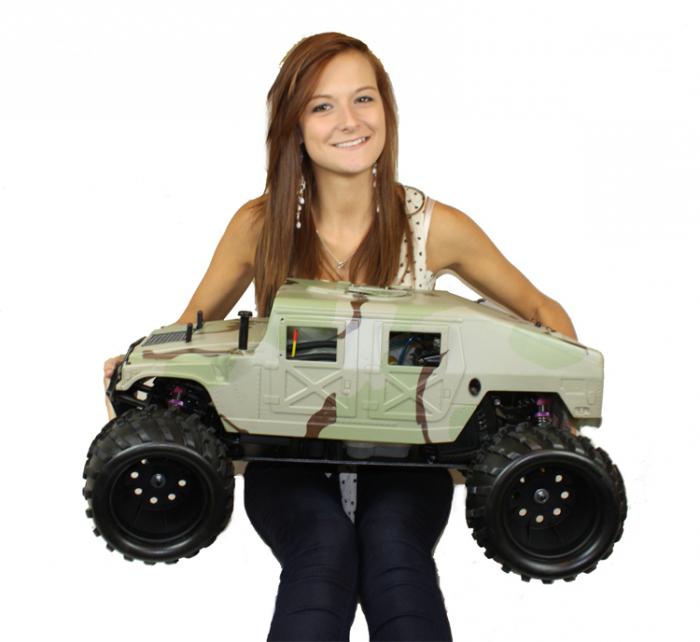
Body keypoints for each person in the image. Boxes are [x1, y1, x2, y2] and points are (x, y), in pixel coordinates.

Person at [103, 32, 577, 642]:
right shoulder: (260, 225)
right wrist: (138, 381)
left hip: (409, 454)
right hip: (286, 450)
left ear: (387, 110)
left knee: (394, 553)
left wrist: (554, 406)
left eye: (364, 98)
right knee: (322, 553)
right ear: (294, 126)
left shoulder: (432, 226)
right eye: (323, 105)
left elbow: (541, 309)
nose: (349, 121)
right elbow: (192, 330)